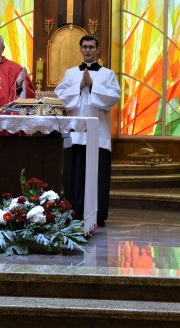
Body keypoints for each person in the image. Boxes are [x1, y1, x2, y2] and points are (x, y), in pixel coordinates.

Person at [55, 35, 120, 227]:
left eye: (91, 47)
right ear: (80, 49)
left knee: (97, 176)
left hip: (98, 133)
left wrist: (93, 85)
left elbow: (114, 97)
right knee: (74, 175)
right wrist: (79, 86)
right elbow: (60, 97)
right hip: (75, 134)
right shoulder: (70, 74)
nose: (88, 50)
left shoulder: (108, 74)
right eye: (84, 47)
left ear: (98, 50)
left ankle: (97, 215)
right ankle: (74, 213)